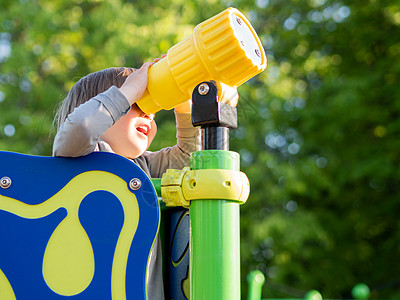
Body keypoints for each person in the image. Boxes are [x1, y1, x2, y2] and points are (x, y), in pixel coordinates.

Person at [53, 57, 200, 299]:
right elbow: (81, 127)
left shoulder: (143, 166)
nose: (149, 115)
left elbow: (191, 160)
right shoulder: (80, 157)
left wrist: (183, 103)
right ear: (102, 109)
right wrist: (129, 90)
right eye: (137, 103)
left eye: (151, 108)